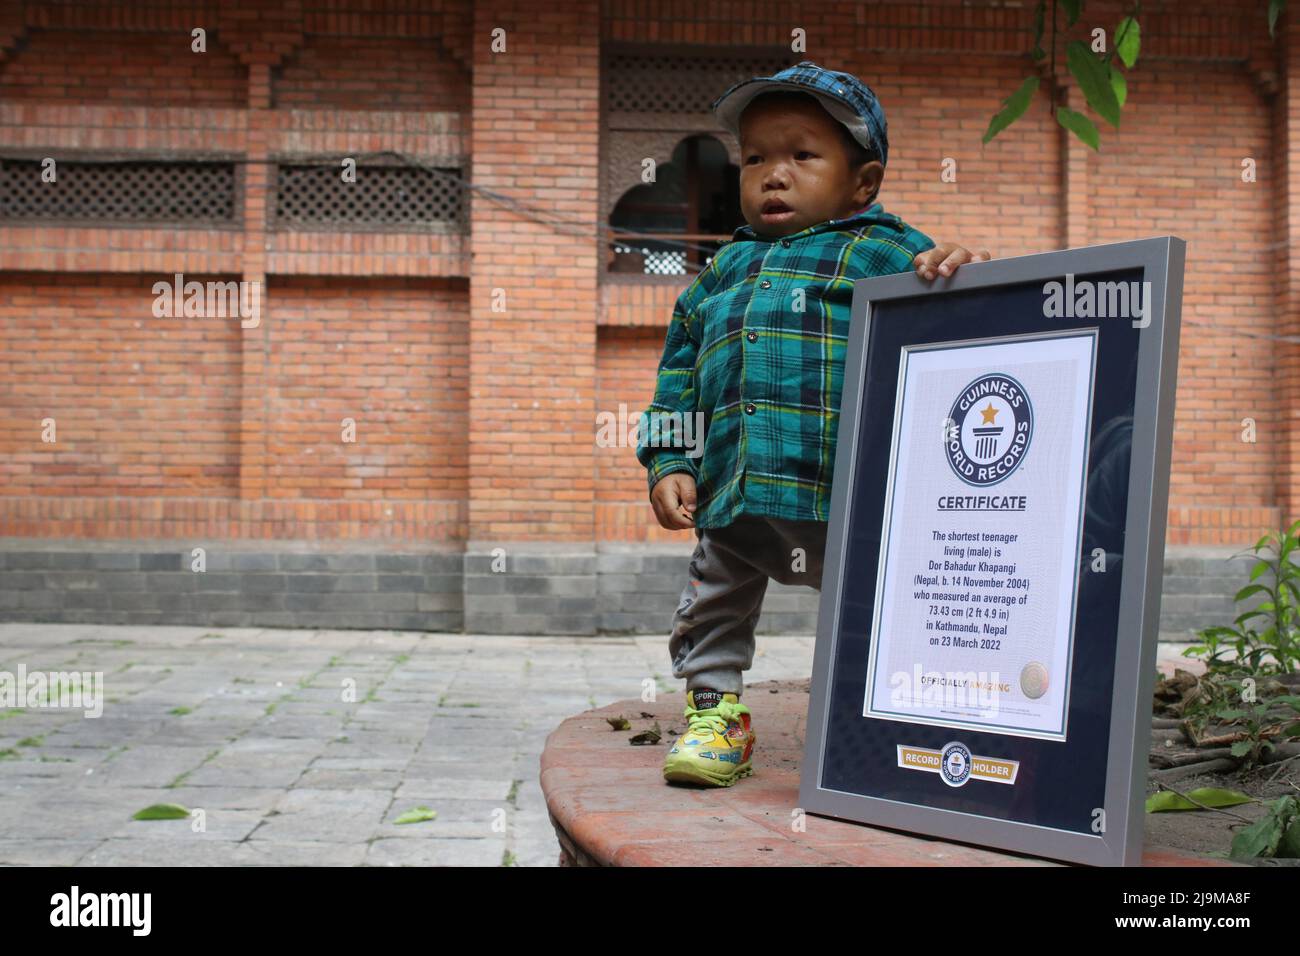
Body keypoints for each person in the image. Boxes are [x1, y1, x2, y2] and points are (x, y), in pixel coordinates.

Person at [635, 61, 992, 787]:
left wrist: (963, 273)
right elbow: (677, 376)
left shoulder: (889, 254)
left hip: (849, 496)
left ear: (862, 181)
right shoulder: (721, 271)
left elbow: (961, 336)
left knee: (877, 607)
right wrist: (670, 460)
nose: (773, 174)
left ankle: (888, 720)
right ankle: (715, 715)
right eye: (757, 157)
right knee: (714, 602)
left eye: (802, 155)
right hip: (736, 488)